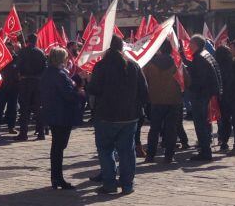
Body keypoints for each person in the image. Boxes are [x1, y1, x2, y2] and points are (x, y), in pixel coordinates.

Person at [87, 36, 149, 195]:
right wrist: (137, 107)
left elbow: (94, 90)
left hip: (106, 116)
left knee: (105, 150)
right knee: (127, 151)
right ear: (122, 48)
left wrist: (88, 83)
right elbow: (144, 92)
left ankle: (109, 184)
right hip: (129, 116)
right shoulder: (133, 66)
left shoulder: (101, 66)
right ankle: (127, 185)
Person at [39, 46, 85, 189]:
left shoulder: (48, 72)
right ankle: (58, 178)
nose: (67, 60)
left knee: (57, 147)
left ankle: (56, 177)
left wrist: (76, 80)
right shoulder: (59, 74)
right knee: (59, 147)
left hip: (53, 113)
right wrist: (80, 92)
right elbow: (68, 94)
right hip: (61, 115)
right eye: (65, 57)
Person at [142, 41, 182, 164]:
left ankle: (150, 155)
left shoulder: (149, 65)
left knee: (154, 129)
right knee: (171, 128)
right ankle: (169, 156)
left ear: (159, 50)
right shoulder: (177, 63)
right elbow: (187, 81)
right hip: (173, 100)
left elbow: (144, 81)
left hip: (156, 100)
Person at [186, 35, 222, 161]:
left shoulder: (200, 58)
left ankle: (205, 152)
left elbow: (200, 79)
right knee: (205, 124)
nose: (188, 46)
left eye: (190, 43)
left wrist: (190, 87)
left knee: (201, 124)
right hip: (207, 95)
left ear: (195, 44)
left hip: (201, 96)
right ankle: (205, 149)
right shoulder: (205, 54)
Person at [13, 34, 46, 141]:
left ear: (27, 41)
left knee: (24, 109)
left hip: (26, 81)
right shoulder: (41, 52)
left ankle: (24, 133)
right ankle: (41, 133)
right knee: (38, 109)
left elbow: (18, 66)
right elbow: (44, 68)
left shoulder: (23, 52)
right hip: (38, 82)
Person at [213, 41, 233, 152]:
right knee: (226, 119)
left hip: (219, 95)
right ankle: (224, 141)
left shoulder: (216, 66)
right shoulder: (232, 64)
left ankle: (222, 138)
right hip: (229, 95)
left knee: (220, 119)